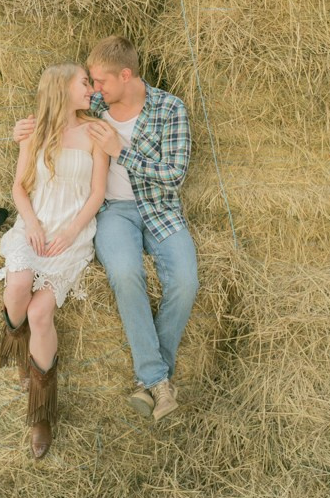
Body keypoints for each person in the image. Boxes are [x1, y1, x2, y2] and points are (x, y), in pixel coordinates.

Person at [14, 36, 198, 423]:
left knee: (186, 282)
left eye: (100, 81)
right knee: (126, 275)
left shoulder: (170, 109)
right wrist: (23, 131)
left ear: (125, 75)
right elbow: (57, 114)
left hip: (161, 210)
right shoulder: (95, 105)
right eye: (90, 82)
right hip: (114, 212)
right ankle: (159, 382)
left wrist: (121, 151)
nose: (94, 89)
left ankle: (151, 379)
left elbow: (175, 175)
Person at [0, 62, 109, 459]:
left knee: (40, 312)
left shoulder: (95, 132)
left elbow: (97, 193)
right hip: (35, 226)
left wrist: (71, 232)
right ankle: (18, 347)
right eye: (84, 83)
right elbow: (19, 187)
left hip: (71, 235)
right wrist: (31, 224)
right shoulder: (34, 131)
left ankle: (41, 412)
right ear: (61, 88)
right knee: (18, 286)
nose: (91, 89)